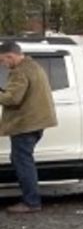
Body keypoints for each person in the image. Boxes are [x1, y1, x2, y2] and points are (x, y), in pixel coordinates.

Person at [1, 40, 58, 214]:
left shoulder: (19, 72)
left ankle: (31, 201)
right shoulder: (34, 66)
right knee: (22, 159)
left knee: (22, 162)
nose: (3, 64)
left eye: (3, 60)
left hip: (25, 123)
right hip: (37, 122)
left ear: (11, 56)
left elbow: (12, 98)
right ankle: (31, 199)